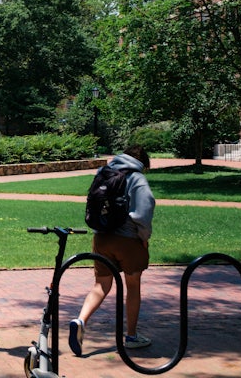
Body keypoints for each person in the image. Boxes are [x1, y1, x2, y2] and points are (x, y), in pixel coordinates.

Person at [69, 144, 155, 356]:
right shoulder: (136, 178)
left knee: (101, 286)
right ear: (142, 161)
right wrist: (144, 238)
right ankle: (132, 336)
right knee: (132, 286)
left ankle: (80, 320)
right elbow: (143, 212)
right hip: (128, 240)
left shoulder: (104, 172)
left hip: (101, 238)